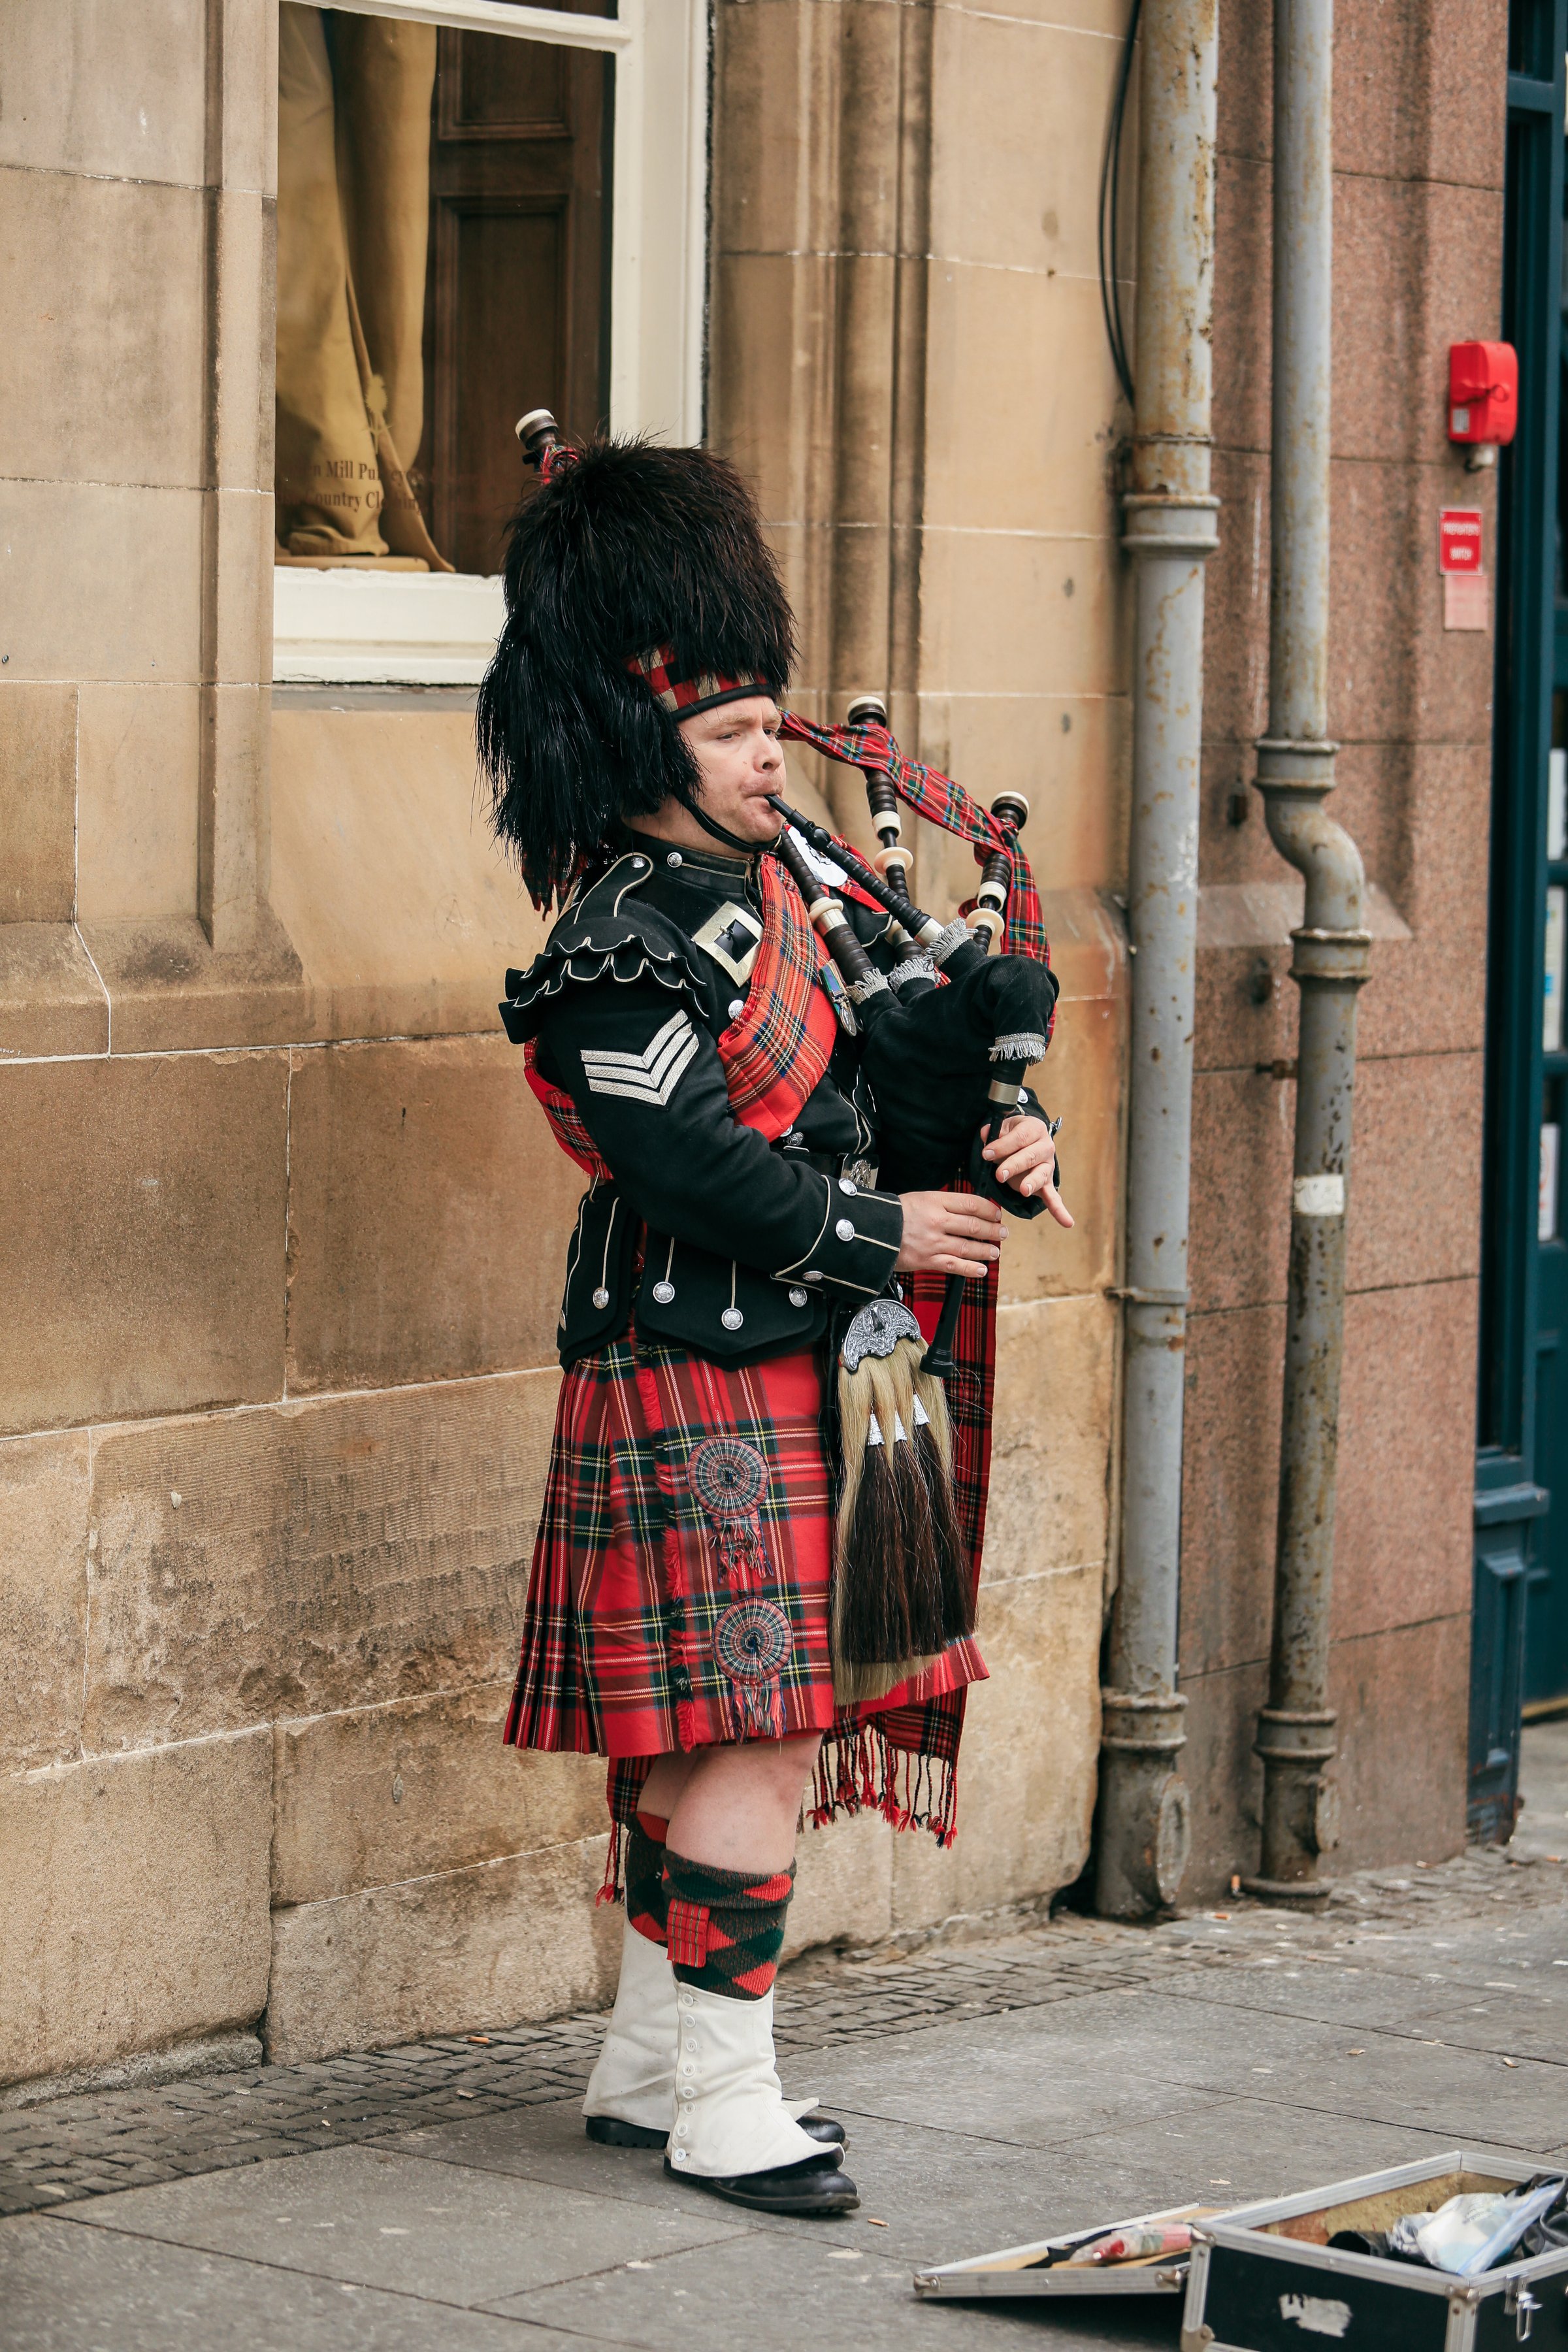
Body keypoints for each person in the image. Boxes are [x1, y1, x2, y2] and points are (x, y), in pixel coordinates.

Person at [477, 436, 1066, 2217]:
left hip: (800, 1368)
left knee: (719, 1732)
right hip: (695, 1365)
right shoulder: (619, 947)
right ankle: (728, 2102)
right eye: (735, 735)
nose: (770, 757)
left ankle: (653, 2054)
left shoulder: (784, 902)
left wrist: (1001, 1142)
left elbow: (875, 1103)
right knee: (748, 1732)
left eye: (763, 728)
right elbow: (691, 1168)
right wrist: (891, 1223)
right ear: (637, 739)